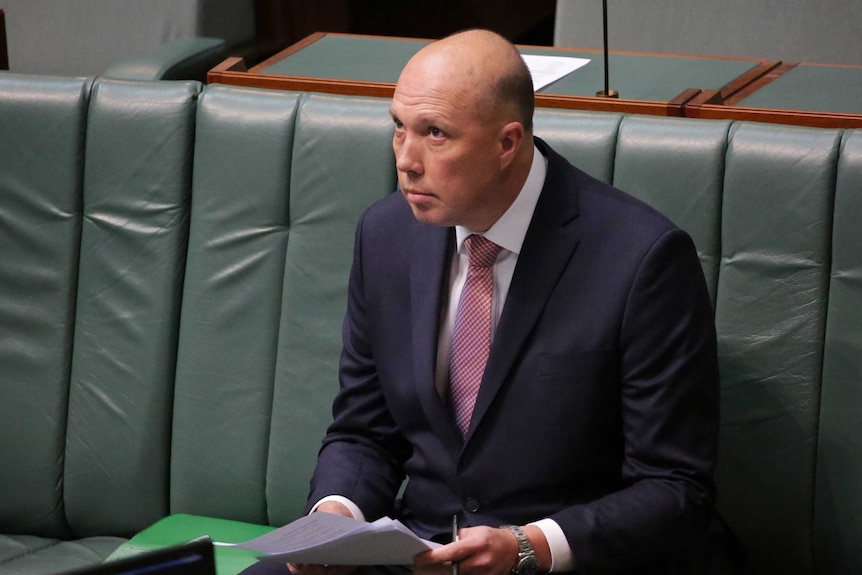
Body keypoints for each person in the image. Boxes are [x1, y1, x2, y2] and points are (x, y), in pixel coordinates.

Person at [296, 29, 720, 575]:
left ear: (507, 143)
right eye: (398, 128)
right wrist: (336, 517)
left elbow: (675, 487)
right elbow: (364, 433)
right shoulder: (386, 235)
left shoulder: (642, 259)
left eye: (436, 134)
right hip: (420, 556)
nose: (406, 159)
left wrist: (531, 547)